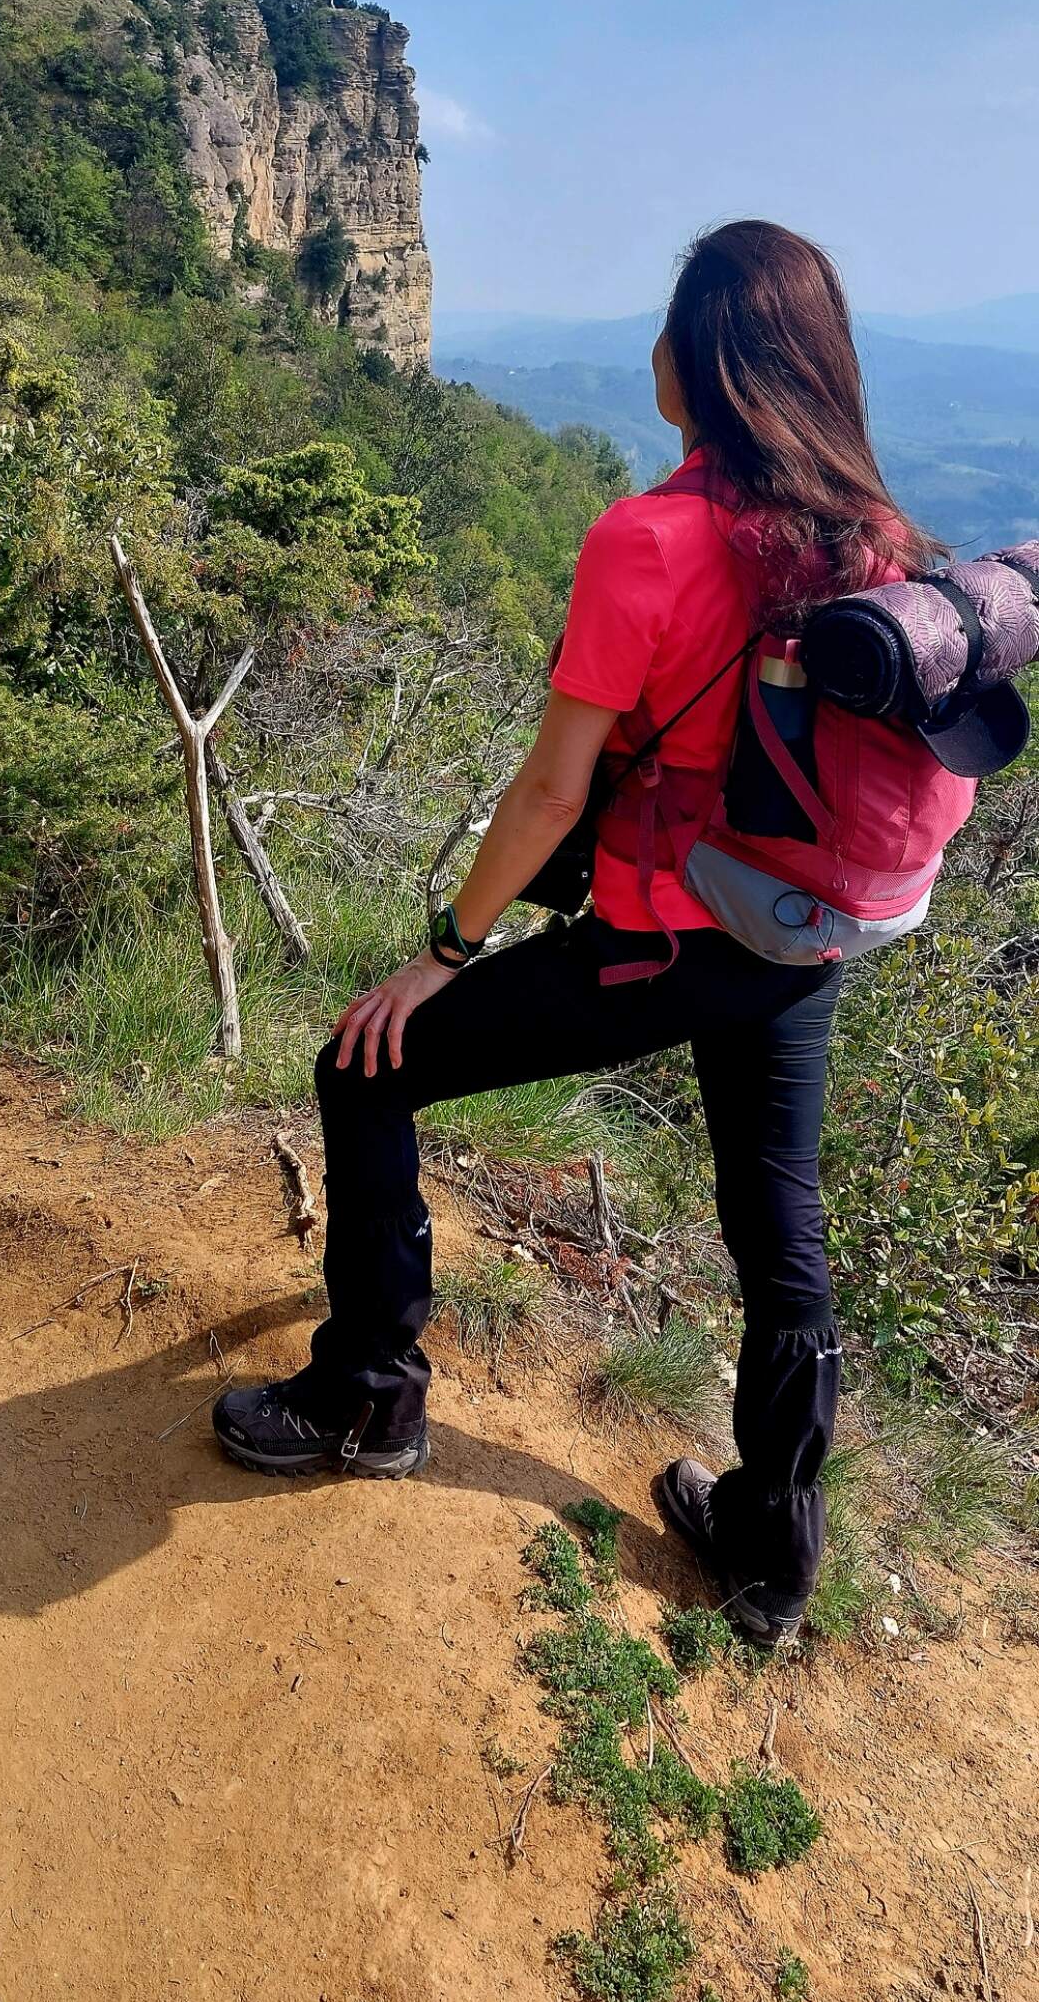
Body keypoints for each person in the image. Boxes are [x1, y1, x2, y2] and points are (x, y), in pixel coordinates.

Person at [214, 219, 941, 1647]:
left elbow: (555, 789)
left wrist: (448, 949)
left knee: (369, 1066)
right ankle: (774, 1556)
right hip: (799, 943)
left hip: (666, 937)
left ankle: (368, 1395)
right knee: (778, 1233)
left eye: (671, 325)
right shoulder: (874, 539)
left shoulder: (648, 539)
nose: (650, 348)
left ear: (710, 364)